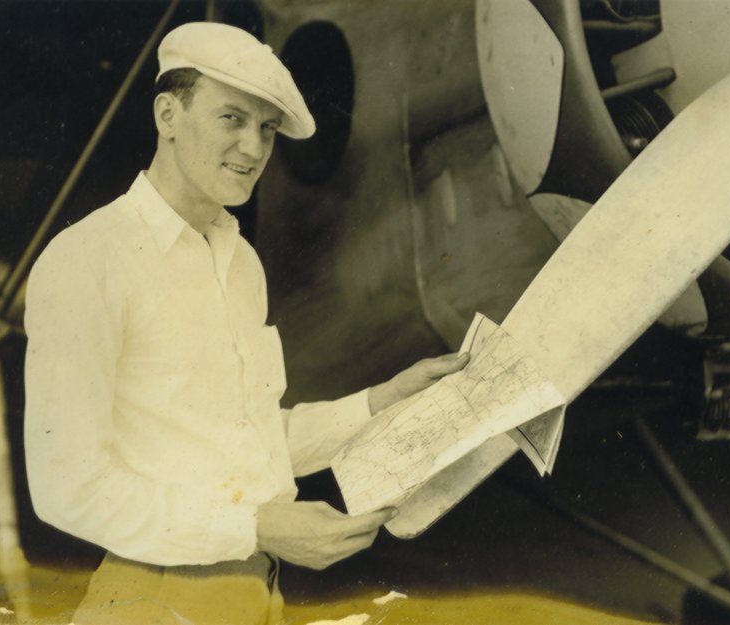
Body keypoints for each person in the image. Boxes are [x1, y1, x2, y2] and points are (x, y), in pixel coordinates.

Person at [23, 21, 468, 625]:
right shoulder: (87, 261)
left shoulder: (240, 263)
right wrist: (254, 524)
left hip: (257, 591)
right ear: (167, 115)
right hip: (151, 598)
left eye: (266, 128)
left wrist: (378, 403)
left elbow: (248, 440)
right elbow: (67, 488)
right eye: (231, 119)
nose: (255, 149)